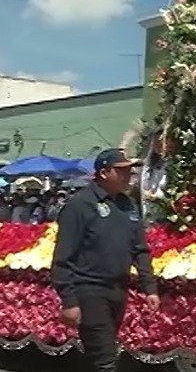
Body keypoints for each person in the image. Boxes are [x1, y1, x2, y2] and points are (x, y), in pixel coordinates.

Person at [51, 148, 160, 372]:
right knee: (105, 359)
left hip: (118, 290)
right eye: (122, 171)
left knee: (97, 354)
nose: (129, 175)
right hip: (89, 290)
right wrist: (69, 301)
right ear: (104, 173)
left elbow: (140, 249)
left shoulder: (127, 205)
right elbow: (63, 257)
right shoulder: (80, 205)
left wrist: (149, 287)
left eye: (130, 170)